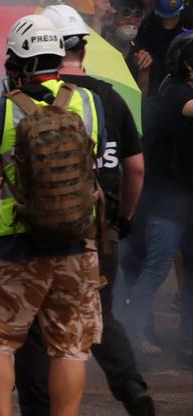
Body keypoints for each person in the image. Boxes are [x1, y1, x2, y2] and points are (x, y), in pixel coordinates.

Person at [0, 5, 153, 415]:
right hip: (97, 227)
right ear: (83, 46)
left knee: (32, 327)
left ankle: (37, 407)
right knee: (95, 313)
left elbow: (2, 166)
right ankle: (130, 384)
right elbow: (135, 167)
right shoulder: (107, 99)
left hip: (33, 229)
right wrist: (125, 218)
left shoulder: (28, 97)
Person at [0, 14, 105, 416]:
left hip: (15, 242)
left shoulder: (1, 109)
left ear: (17, 61)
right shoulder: (88, 102)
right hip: (76, 242)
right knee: (70, 347)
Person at [125, 31, 193, 363]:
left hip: (186, 198)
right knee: (156, 268)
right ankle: (131, 337)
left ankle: (190, 343)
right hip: (165, 200)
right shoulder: (175, 94)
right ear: (189, 64)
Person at [129, 0, 186, 96]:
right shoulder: (146, 19)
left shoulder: (188, 21)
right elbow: (144, 1)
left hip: (172, 95)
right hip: (142, 84)